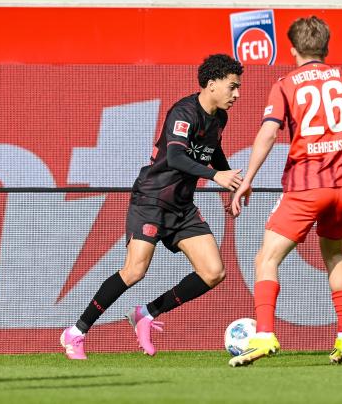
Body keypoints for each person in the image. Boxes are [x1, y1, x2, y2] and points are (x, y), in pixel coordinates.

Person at [228, 16, 342, 367]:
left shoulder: (286, 84)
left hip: (307, 184)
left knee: (266, 258)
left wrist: (247, 179)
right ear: (326, 48)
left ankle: (263, 336)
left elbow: (268, 134)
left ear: (292, 50)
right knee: (335, 255)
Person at [60, 54, 244, 360]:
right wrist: (216, 176)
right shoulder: (183, 112)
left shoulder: (220, 118)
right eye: (232, 87)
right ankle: (76, 332)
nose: (237, 94)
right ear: (211, 85)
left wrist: (232, 183)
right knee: (134, 271)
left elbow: (213, 150)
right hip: (152, 200)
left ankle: (145, 314)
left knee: (213, 272)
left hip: (182, 207)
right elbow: (176, 157)